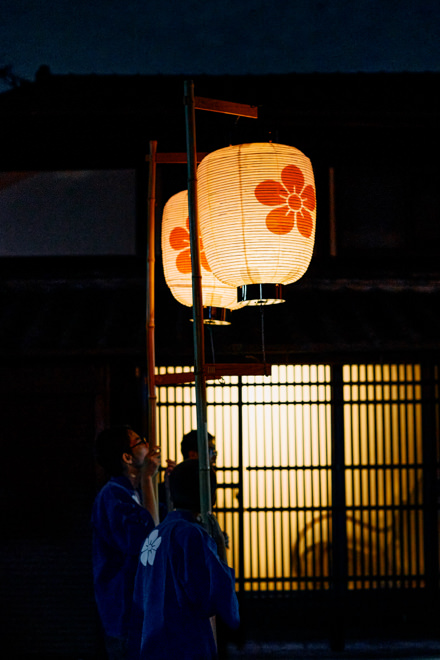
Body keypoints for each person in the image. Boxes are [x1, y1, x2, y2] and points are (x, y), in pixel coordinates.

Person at [130, 459, 240, 660]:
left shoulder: (155, 534)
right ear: (209, 494)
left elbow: (140, 595)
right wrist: (220, 552)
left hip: (151, 641)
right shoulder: (192, 535)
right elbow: (206, 597)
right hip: (184, 642)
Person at [91, 425, 161, 660]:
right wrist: (149, 478)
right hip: (123, 610)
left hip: (133, 607)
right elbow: (150, 539)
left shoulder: (130, 492)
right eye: (141, 441)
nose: (148, 445)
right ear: (127, 457)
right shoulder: (113, 495)